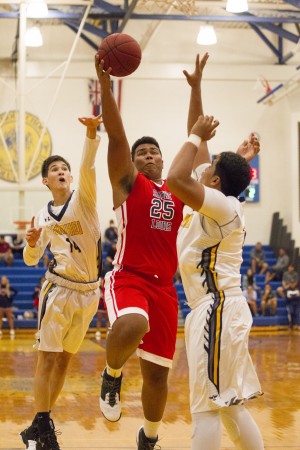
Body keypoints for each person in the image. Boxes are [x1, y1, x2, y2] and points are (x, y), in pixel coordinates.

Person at [166, 58, 264, 449]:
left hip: (217, 307)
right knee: (227, 404)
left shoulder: (220, 205)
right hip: (220, 308)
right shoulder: (221, 199)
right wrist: (196, 88)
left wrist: (191, 136)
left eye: (211, 167)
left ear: (216, 180)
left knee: (207, 407)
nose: (202, 166)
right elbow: (204, 147)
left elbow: (176, 176)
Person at [95, 53, 184, 449]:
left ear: (162, 159)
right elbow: (116, 136)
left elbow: (197, 145)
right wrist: (104, 82)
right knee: (133, 325)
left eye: (154, 152)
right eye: (141, 153)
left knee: (158, 376)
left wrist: (195, 89)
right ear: (131, 163)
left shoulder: (178, 189)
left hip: (165, 288)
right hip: (128, 276)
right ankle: (112, 373)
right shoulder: (129, 184)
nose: (148, 155)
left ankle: (148, 438)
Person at [20, 115, 103, 450]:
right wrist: (29, 242)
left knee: (66, 359)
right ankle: (44, 426)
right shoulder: (41, 217)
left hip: (90, 292)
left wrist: (91, 132)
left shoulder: (84, 199)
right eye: (54, 169)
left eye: (64, 168)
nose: (62, 171)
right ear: (45, 180)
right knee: (48, 358)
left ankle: (39, 425)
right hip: (59, 289)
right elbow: (30, 259)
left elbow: (88, 163)